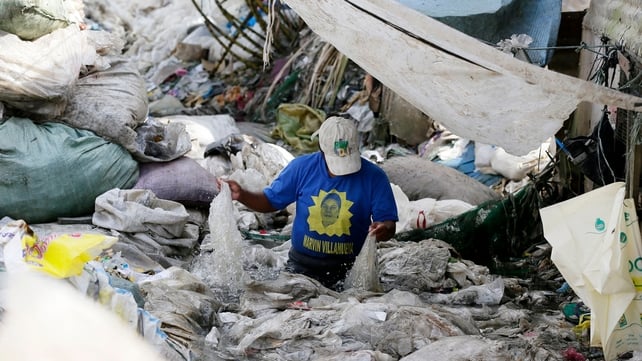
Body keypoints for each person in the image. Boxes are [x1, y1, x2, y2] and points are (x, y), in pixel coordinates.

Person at [221, 116, 398, 290]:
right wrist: (242, 194)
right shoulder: (302, 168)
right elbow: (270, 201)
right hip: (303, 266)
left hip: (351, 267)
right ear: (321, 148)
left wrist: (383, 229)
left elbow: (388, 223)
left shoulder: (374, 177)